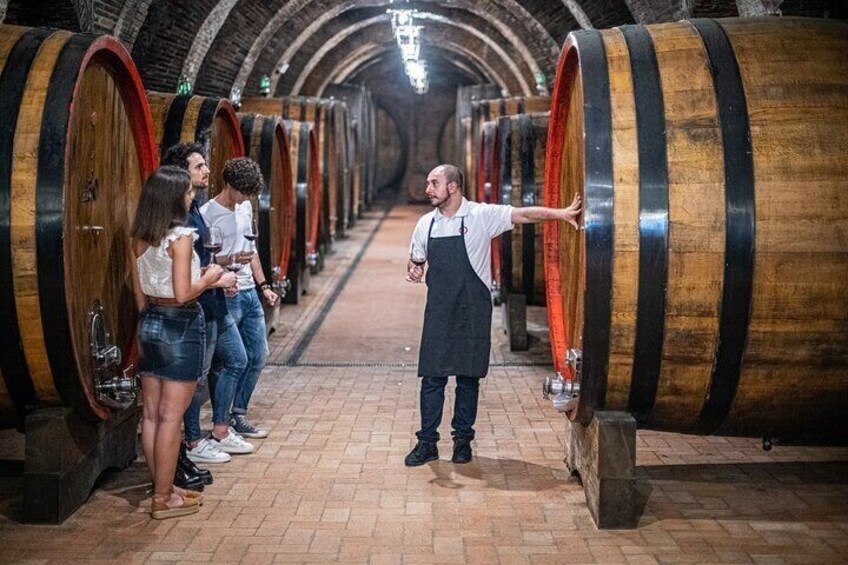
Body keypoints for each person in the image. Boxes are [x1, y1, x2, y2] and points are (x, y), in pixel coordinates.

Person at [404, 164, 582, 466]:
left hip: (473, 309)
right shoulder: (426, 224)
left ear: (453, 187)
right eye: (428, 183)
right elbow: (416, 260)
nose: (427, 189)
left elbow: (523, 214)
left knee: (468, 378)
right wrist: (414, 269)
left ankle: (462, 441)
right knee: (432, 378)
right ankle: (427, 443)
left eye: (434, 183)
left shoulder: (480, 216)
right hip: (439, 310)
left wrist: (560, 214)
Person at [130, 166, 231, 519]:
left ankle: (164, 487)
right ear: (174, 197)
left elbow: (140, 294)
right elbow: (184, 291)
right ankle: (163, 498)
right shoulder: (182, 236)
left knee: (153, 415)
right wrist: (212, 278)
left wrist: (152, 318)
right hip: (181, 325)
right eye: (188, 192)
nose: (192, 196)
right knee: (172, 417)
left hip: (150, 323)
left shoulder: (141, 234)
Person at [161, 143, 250, 477]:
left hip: (214, 301)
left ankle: (220, 429)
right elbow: (185, 273)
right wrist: (216, 276)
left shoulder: (193, 206)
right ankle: (194, 443)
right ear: (182, 172)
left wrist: (222, 270)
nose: (206, 171)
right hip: (200, 303)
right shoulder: (179, 216)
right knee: (195, 379)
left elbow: (204, 256)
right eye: (199, 166)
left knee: (238, 359)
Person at [200, 157, 278, 444]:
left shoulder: (245, 207)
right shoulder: (208, 213)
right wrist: (227, 265)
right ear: (229, 185)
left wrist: (264, 285)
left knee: (257, 356)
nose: (245, 198)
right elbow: (204, 259)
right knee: (229, 362)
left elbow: (252, 250)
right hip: (225, 293)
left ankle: (237, 414)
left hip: (249, 294)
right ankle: (222, 423)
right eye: (242, 192)